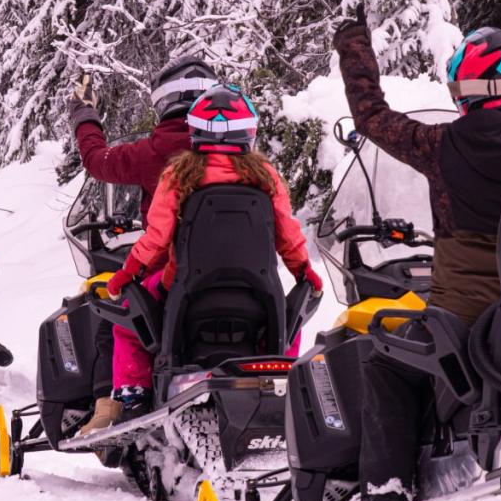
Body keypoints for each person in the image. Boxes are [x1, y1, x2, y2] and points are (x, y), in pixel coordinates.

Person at [332, 13, 501, 501]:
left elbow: (371, 116)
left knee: (385, 360)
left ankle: (388, 490)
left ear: (464, 87)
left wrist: (353, 44)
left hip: (469, 322)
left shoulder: (443, 146)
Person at [101, 84, 322, 420]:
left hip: (185, 291)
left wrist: (126, 275)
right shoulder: (266, 178)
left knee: (128, 317)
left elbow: (156, 237)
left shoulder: (178, 174)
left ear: (195, 130)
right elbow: (288, 234)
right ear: (249, 131)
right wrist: (305, 272)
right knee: (291, 318)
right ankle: (282, 378)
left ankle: (134, 395)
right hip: (259, 294)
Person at [69, 55, 219, 435]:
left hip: (172, 277)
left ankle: (115, 404)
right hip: (243, 274)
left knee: (113, 309)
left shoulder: (155, 153)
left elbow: (96, 160)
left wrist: (83, 115)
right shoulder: (241, 156)